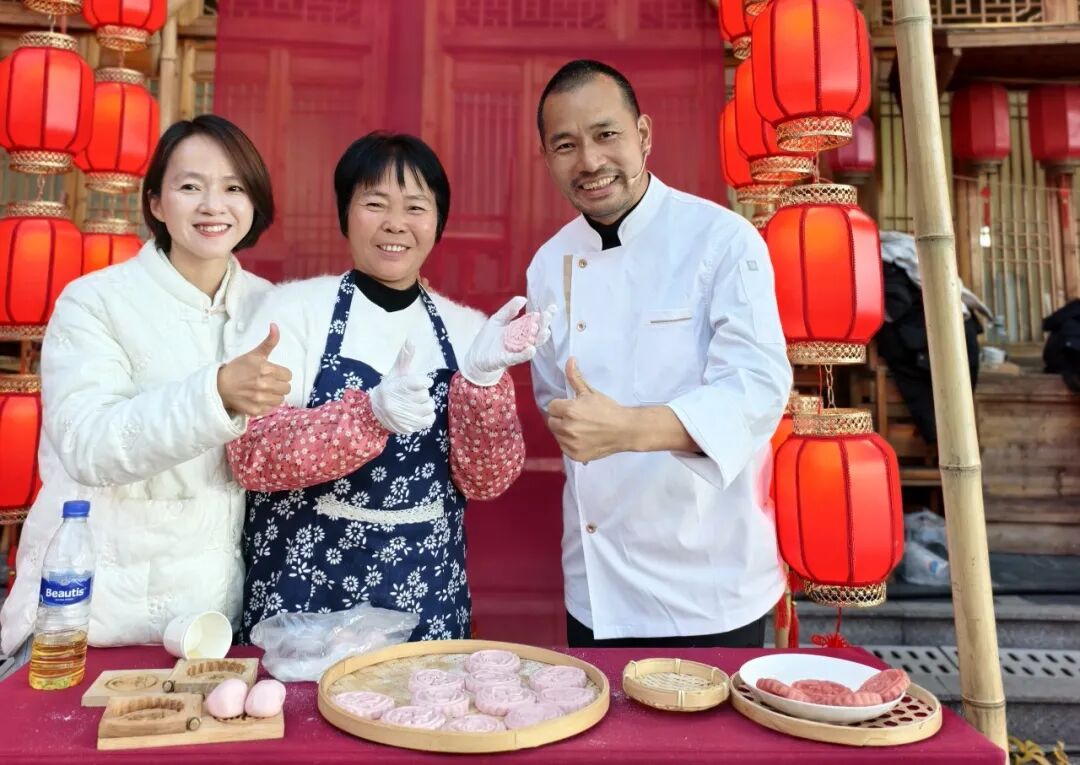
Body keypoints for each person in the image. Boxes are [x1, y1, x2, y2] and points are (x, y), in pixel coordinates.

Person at [226, 132, 554, 642]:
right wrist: (368, 416)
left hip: (426, 597)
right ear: (345, 214)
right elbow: (251, 455)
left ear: (438, 222)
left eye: (415, 207)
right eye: (375, 203)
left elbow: (486, 481)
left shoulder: (468, 332)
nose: (395, 223)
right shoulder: (292, 312)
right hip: (305, 601)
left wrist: (482, 382)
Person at [526, 59, 793, 648]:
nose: (589, 161)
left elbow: (756, 389)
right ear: (546, 158)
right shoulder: (547, 264)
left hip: (709, 581)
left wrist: (626, 428)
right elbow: (553, 399)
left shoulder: (722, 240)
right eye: (565, 145)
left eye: (606, 134)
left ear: (643, 134)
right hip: (596, 582)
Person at [0, 115, 286, 661]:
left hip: (212, 620)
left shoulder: (271, 305)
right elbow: (86, 444)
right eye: (190, 186)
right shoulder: (93, 302)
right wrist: (216, 393)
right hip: (91, 618)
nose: (213, 205)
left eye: (233, 188)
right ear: (156, 202)